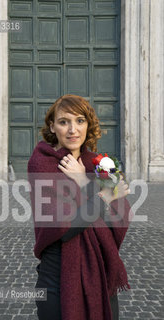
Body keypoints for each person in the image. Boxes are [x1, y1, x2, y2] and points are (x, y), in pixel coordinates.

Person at [27, 94, 132, 320]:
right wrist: (103, 197)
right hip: (57, 276)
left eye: (80, 120)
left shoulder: (98, 163)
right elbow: (65, 227)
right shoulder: (42, 163)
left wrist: (83, 180)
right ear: (52, 127)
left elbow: (121, 214)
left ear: (88, 125)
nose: (73, 129)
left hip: (100, 274)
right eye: (64, 122)